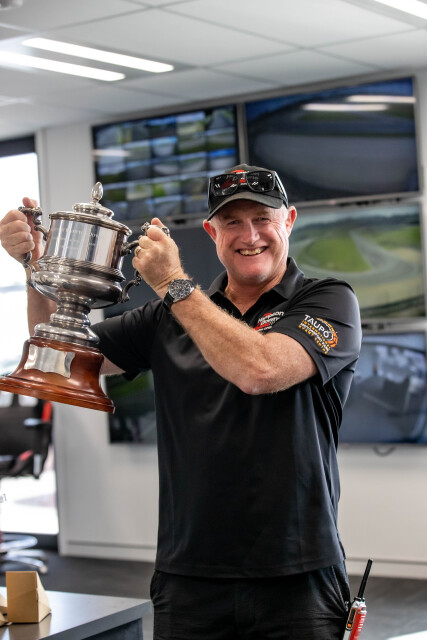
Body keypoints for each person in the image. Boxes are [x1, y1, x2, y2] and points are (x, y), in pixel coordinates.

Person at [0, 163, 362, 639]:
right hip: (189, 576)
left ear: (288, 221)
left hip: (299, 573)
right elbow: (58, 357)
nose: (249, 235)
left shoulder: (328, 301)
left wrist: (173, 282)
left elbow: (260, 370)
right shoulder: (163, 318)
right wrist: (37, 269)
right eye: (232, 222)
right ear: (212, 232)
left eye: (263, 218)